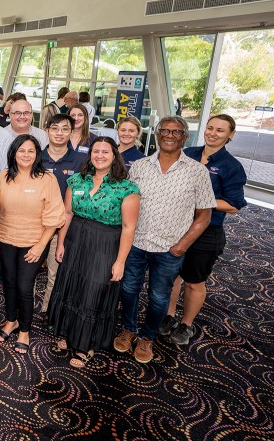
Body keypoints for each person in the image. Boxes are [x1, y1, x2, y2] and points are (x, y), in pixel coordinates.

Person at [114, 116, 215, 364]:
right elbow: (126, 202)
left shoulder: (197, 171)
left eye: (176, 131)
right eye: (165, 130)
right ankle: (129, 329)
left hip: (170, 249)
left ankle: (147, 337)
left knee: (159, 297)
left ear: (185, 137)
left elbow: (204, 215)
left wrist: (182, 246)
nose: (170, 135)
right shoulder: (139, 166)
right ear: (157, 134)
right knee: (128, 290)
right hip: (136, 243)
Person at [48, 137, 140, 367]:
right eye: (95, 151)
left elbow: (129, 227)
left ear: (114, 155)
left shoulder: (126, 187)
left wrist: (120, 261)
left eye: (105, 152)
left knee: (94, 290)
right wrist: (60, 243)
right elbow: (67, 214)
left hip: (106, 242)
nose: (99, 155)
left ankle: (87, 344)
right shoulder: (77, 180)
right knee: (72, 286)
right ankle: (69, 334)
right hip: (75, 238)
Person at [161, 114, 247, 346]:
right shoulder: (187, 153)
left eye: (220, 130)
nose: (213, 133)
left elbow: (234, 205)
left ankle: (186, 324)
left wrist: (199, 199)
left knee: (193, 280)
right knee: (171, 275)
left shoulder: (231, 166)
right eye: (210, 128)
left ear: (230, 135)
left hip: (208, 232)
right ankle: (168, 316)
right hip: (177, 226)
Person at [0, 135, 65, 355]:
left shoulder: (47, 179)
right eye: (21, 150)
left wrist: (40, 246)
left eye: (31, 151)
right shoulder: (4, 176)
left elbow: (55, 217)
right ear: (13, 153)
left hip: (34, 242)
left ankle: (24, 330)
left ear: (37, 154)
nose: (26, 155)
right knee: (10, 284)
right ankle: (11, 320)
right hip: (5, 239)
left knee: (25, 286)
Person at [39, 113, 87, 318]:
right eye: (55, 128)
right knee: (28, 272)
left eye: (65, 129)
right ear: (47, 130)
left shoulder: (81, 161)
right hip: (34, 225)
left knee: (54, 273)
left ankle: (47, 310)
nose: (59, 133)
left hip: (63, 228)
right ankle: (24, 310)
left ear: (72, 131)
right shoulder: (35, 157)